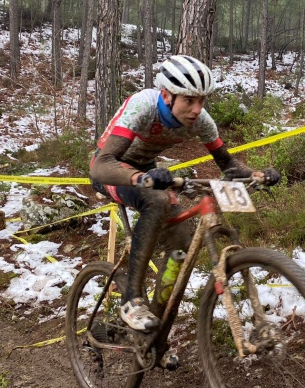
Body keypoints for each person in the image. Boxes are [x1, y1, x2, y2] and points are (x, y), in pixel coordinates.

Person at [89, 55, 280, 331]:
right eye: (189, 100)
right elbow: (100, 166)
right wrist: (140, 177)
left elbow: (228, 166)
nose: (196, 109)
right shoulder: (143, 106)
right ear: (166, 95)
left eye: (201, 100)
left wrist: (256, 175)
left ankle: (155, 325)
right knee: (157, 200)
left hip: (150, 173)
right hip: (112, 170)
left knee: (181, 241)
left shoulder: (202, 121)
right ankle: (131, 300)